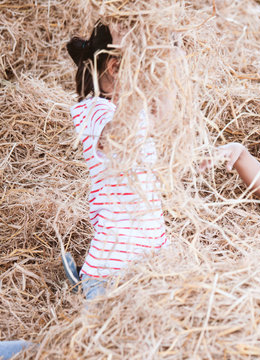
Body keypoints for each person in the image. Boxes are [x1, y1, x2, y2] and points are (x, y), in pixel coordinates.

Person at [62, 21, 168, 299]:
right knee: (89, 343)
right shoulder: (95, 111)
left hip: (152, 261)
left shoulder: (134, 112)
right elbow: (110, 139)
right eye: (142, 68)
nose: (147, 78)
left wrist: (172, 56)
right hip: (112, 270)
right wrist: (126, 50)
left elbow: (165, 124)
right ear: (114, 67)